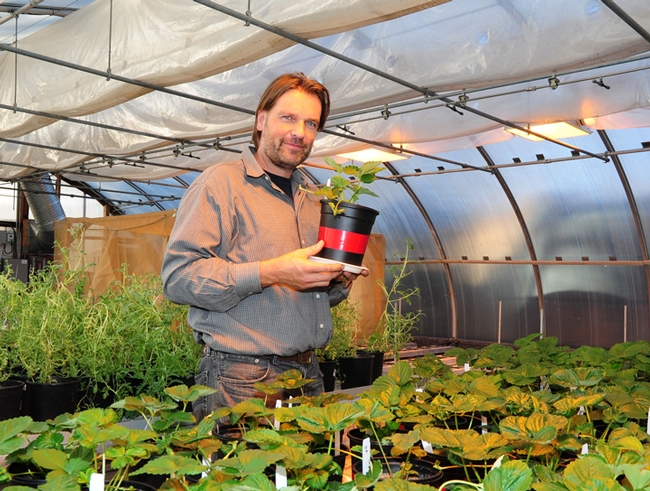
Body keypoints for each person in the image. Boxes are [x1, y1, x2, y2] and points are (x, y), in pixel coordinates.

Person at [161, 72, 367, 420]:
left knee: (306, 474)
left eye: (311, 123)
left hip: (308, 375)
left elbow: (307, 297)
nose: (300, 132)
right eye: (288, 117)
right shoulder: (220, 185)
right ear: (261, 120)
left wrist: (335, 281)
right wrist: (272, 272)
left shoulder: (314, 199)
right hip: (241, 380)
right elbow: (179, 278)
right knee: (244, 474)